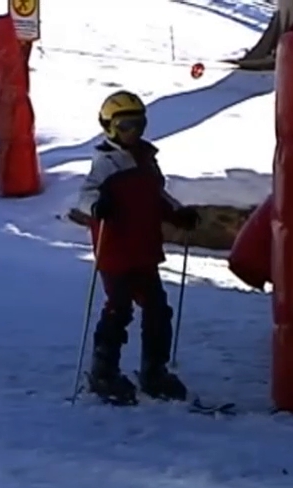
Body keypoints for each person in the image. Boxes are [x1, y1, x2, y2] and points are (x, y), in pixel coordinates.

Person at [76, 90, 199, 406]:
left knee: (158, 308)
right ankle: (103, 371)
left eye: (139, 125)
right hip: (116, 250)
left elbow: (157, 196)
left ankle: (153, 370)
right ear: (110, 127)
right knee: (119, 308)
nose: (133, 132)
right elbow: (86, 193)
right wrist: (97, 206)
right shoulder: (106, 161)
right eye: (125, 125)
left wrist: (177, 212)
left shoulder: (146, 159)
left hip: (144, 248)